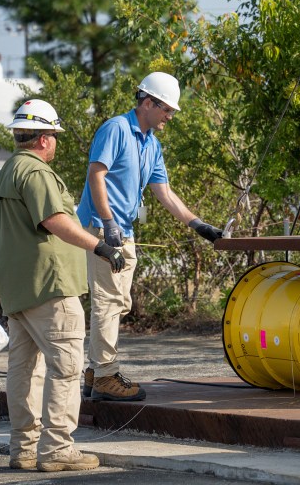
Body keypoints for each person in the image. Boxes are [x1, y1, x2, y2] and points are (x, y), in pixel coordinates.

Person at [0, 100, 125, 472]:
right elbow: (53, 219)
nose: (56, 143)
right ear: (45, 138)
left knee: (24, 369)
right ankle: (57, 450)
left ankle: (25, 449)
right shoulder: (35, 173)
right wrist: (98, 245)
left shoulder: (7, 171)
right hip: (50, 287)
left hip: (20, 290)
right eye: (55, 136)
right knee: (65, 366)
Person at [77, 72, 223, 401]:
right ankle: (104, 376)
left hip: (122, 230)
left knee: (119, 302)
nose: (169, 116)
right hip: (103, 229)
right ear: (148, 103)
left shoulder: (151, 144)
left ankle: (95, 370)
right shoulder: (116, 128)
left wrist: (198, 224)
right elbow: (96, 175)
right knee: (109, 303)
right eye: (167, 110)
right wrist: (108, 222)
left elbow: (164, 193)